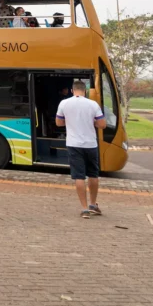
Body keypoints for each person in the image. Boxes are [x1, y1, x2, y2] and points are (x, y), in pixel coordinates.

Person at [55, 79, 107, 219]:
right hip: (90, 144)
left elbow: (58, 122)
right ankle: (93, 205)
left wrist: (71, 121)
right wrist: (92, 121)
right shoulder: (93, 104)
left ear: (72, 90)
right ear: (85, 91)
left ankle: (84, 209)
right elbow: (102, 124)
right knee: (93, 175)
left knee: (79, 176)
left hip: (73, 144)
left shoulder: (64, 103)